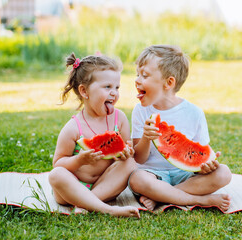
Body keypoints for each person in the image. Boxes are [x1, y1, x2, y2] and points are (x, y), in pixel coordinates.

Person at [129, 45, 232, 211]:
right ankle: (203, 200)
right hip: (153, 174)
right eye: (137, 74)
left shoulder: (194, 113)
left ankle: (162, 197)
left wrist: (207, 165)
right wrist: (146, 139)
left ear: (169, 82)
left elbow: (199, 152)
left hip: (185, 176)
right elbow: (139, 159)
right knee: (137, 179)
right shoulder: (140, 111)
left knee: (223, 173)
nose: (137, 80)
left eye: (145, 75)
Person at [49, 52, 140, 218]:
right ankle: (109, 210)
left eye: (117, 87)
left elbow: (128, 148)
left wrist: (126, 153)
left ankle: (87, 204)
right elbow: (58, 163)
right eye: (107, 87)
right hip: (72, 190)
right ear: (84, 91)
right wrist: (80, 160)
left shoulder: (119, 119)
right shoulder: (73, 128)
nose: (114, 93)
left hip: (106, 186)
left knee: (131, 163)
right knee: (56, 175)